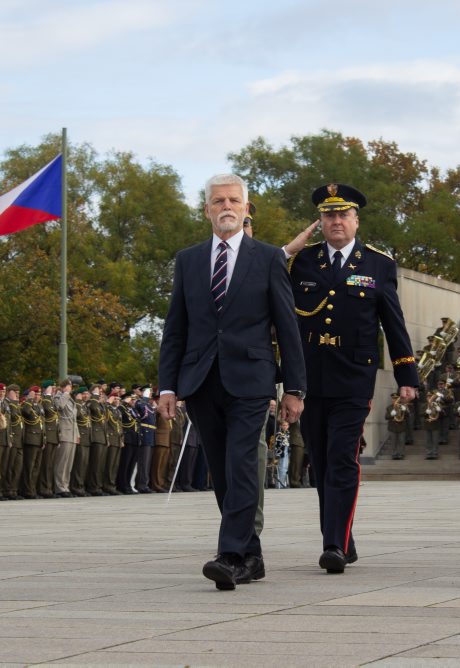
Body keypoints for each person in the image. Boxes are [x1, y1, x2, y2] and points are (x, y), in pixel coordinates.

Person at [158, 173, 305, 591]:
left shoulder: (269, 258)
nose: (226, 206)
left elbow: (287, 328)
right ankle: (251, 556)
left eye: (233, 200)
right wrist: (167, 386)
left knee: (242, 462)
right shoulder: (188, 260)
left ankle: (230, 555)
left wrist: (295, 388)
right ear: (206, 209)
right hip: (201, 380)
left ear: (245, 208)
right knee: (222, 470)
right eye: (218, 200)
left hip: (252, 378)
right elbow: (176, 327)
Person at [283, 182, 418, 574]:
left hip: (354, 378)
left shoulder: (377, 263)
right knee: (321, 460)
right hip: (309, 378)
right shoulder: (300, 262)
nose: (336, 221)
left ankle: (333, 546)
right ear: (319, 222)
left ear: (356, 220)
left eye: (343, 214)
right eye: (329, 215)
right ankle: (343, 537)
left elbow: (393, 322)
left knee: (343, 457)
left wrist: (406, 372)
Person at [52, 379, 78, 498]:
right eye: (69, 386)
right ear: (64, 387)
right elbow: (59, 406)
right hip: (64, 433)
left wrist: (77, 434)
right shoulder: (59, 397)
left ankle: (65, 486)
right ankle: (59, 487)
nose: (71, 388)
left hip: (72, 434)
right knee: (61, 463)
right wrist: (65, 394)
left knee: (69, 463)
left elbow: (74, 419)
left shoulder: (71, 399)